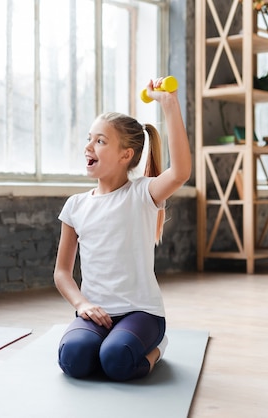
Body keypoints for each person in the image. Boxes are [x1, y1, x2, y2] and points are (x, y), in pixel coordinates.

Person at [53, 77, 191, 381]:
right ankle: (106, 342)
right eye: (90, 138)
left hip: (141, 312)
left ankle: (157, 348)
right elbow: (62, 273)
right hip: (95, 312)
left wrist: (168, 104)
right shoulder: (75, 205)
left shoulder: (143, 193)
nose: (88, 146)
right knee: (72, 359)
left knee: (117, 361)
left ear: (125, 155)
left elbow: (181, 172)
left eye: (100, 141)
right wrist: (83, 305)